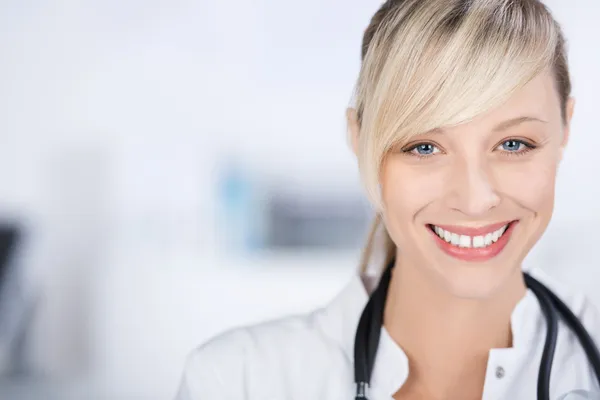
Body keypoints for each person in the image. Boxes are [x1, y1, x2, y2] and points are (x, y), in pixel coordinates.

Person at [176, 0, 600, 399]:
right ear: (361, 142)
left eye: (512, 144)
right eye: (424, 147)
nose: (474, 199)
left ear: (564, 130)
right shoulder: (239, 381)